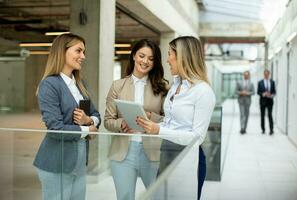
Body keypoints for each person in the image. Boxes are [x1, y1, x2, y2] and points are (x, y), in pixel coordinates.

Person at [136, 36, 216, 200]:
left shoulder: (203, 91)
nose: (167, 60)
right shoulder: (175, 86)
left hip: (189, 159)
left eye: (169, 54)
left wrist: (159, 130)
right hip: (167, 153)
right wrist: (154, 122)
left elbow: (197, 137)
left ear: (182, 57)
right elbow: (172, 123)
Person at [33, 33, 101, 200]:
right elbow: (56, 129)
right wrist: (87, 129)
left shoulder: (80, 84)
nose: (83, 56)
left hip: (78, 162)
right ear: (62, 52)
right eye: (78, 51)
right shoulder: (49, 84)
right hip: (56, 163)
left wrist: (89, 121)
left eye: (83, 52)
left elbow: (96, 114)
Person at [104, 39, 168, 200]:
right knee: (125, 197)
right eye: (141, 56)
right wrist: (121, 124)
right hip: (122, 153)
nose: (145, 61)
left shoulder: (163, 87)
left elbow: (170, 121)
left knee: (157, 196)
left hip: (153, 152)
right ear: (133, 56)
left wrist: (151, 118)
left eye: (151, 59)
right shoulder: (117, 86)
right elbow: (108, 121)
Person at [257, 69, 276, 135]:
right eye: (265, 74)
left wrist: (271, 95)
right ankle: (263, 129)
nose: (266, 75)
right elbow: (258, 92)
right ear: (263, 74)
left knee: (270, 115)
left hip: (270, 101)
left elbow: (274, 92)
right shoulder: (260, 82)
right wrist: (263, 94)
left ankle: (271, 129)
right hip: (262, 101)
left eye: (267, 74)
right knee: (262, 116)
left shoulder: (272, 82)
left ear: (269, 74)